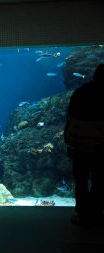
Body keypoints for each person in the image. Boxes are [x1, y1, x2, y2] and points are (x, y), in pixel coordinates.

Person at [65, 64, 104, 227]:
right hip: (101, 147)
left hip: (79, 146)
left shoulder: (80, 92)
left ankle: (82, 213)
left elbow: (70, 116)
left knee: (80, 179)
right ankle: (96, 213)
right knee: (100, 179)